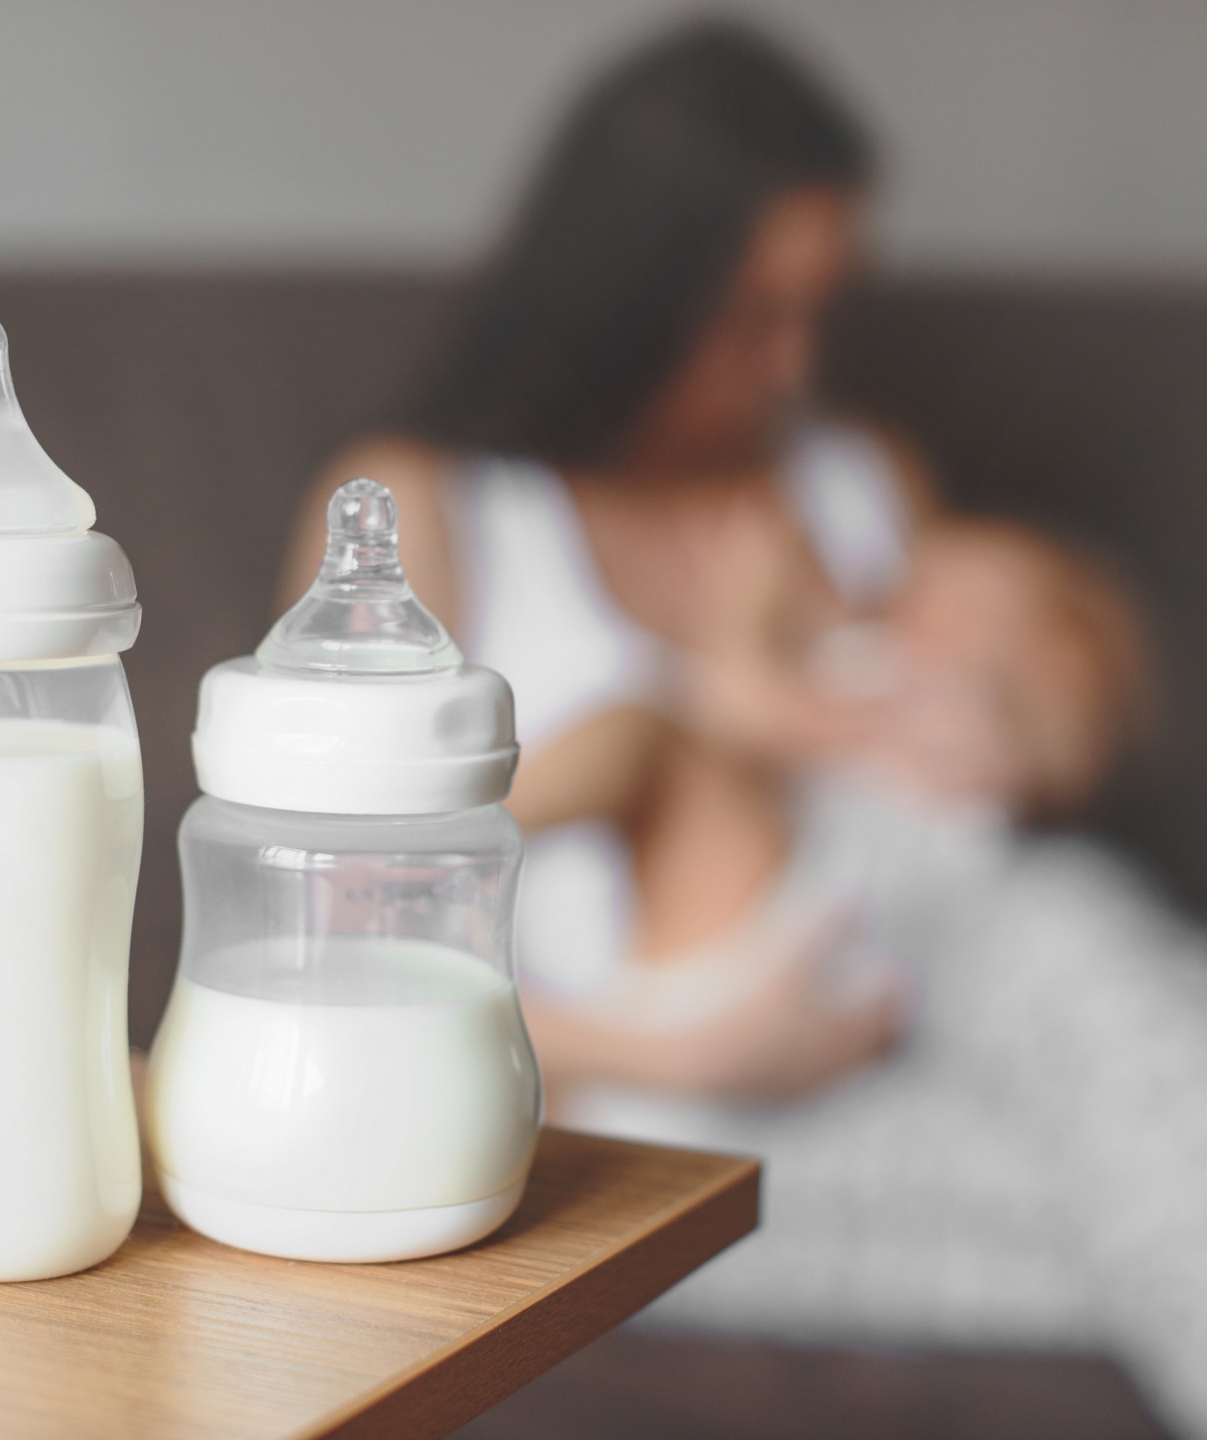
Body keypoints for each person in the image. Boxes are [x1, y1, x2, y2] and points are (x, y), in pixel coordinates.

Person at [279, 21, 1207, 1437]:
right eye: (751, 313)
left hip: (939, 986)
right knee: (1135, 1199)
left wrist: (998, 733)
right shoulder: (428, 510)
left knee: (1116, 1025)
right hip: (651, 1085)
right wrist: (698, 1057)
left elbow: (1025, 721)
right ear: (626, 292)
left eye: (820, 309)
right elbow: (325, 943)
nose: (793, 364)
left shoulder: (852, 475)